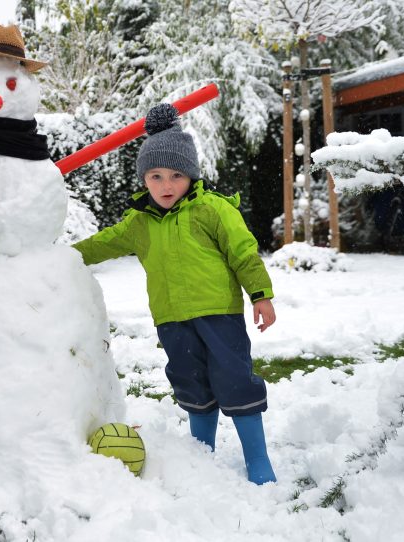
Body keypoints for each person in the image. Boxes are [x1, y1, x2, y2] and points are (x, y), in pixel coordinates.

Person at [72, 104, 278, 484]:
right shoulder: (139, 223)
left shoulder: (211, 209)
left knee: (234, 381)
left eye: (176, 176)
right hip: (170, 319)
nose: (166, 186)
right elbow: (104, 243)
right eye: (156, 176)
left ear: (191, 175)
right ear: (144, 179)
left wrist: (260, 295)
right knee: (190, 383)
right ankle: (203, 455)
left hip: (219, 315)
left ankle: (258, 459)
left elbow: (244, 252)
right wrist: (63, 255)